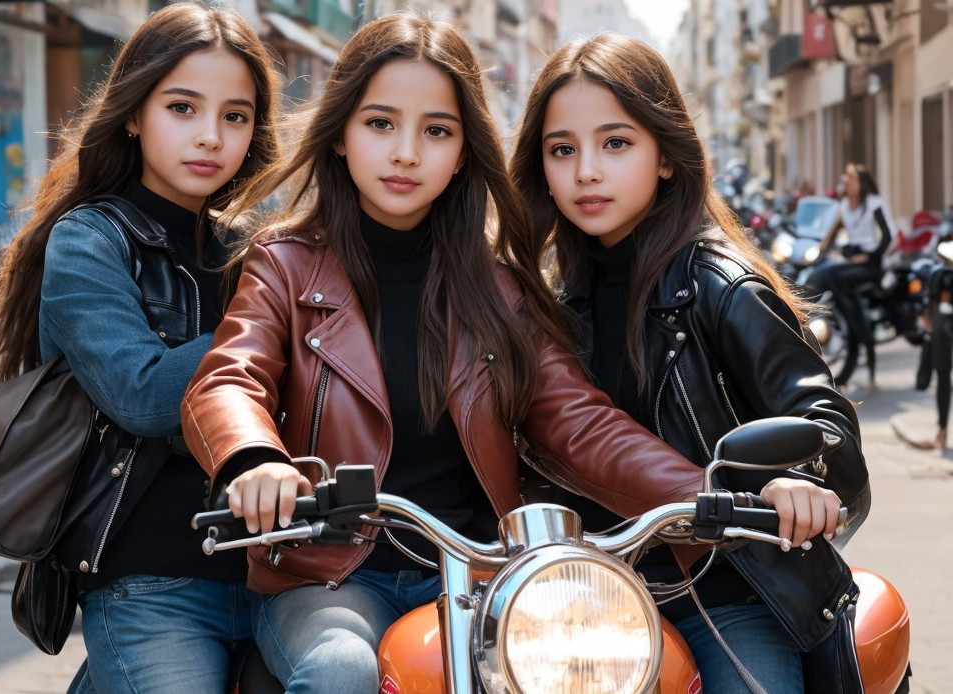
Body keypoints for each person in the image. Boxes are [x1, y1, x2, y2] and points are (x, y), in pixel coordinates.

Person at [180, 14, 841, 694]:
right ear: (342, 134)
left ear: (466, 150)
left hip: (483, 576)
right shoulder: (285, 263)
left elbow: (577, 421)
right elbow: (229, 377)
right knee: (339, 671)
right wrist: (256, 460)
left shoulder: (498, 286)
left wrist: (714, 492)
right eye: (380, 124)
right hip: (330, 576)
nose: (406, 152)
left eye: (436, 130)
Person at [508, 32, 869, 693]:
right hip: (590, 604)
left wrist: (789, 481)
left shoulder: (720, 285)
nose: (586, 169)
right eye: (563, 149)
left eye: (616, 143)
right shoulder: (546, 298)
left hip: (733, 596)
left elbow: (830, 429)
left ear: (666, 156)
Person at [0, 3, 280, 692]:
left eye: (235, 115)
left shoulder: (261, 249)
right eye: (183, 108)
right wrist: (267, 330)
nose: (211, 136)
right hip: (149, 582)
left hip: (275, 579)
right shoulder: (90, 240)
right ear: (135, 113)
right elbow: (140, 393)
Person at [809, 162, 895, 389]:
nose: (845, 180)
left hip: (870, 266)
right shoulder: (845, 205)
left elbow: (888, 236)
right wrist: (819, 251)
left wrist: (868, 257)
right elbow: (830, 235)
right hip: (849, 266)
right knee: (841, 293)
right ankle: (845, 322)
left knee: (829, 275)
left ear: (861, 183)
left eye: (851, 177)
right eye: (845, 177)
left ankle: (810, 307)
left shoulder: (874, 204)